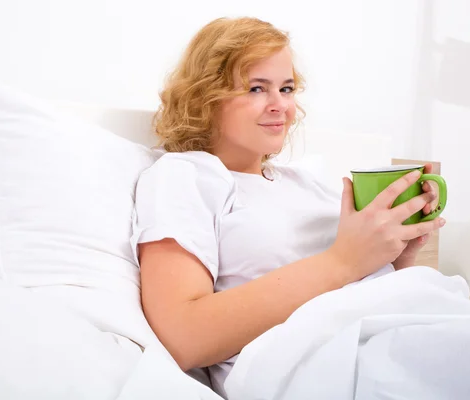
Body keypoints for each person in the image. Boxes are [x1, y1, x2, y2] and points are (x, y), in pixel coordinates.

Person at [130, 17, 445, 397]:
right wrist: (344, 261)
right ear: (204, 97)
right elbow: (183, 337)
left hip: (399, 324)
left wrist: (393, 256)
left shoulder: (304, 182)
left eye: (287, 88)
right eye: (257, 88)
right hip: (327, 360)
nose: (280, 105)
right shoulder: (185, 176)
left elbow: (355, 284)